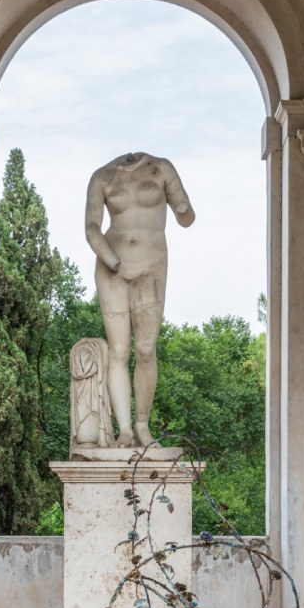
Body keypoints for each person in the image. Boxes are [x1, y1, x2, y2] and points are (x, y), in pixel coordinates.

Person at [83, 152, 195, 447]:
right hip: (112, 266)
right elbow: (91, 227)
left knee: (146, 348)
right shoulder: (102, 176)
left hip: (150, 264)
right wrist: (111, 258)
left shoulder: (160, 167)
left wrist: (182, 205)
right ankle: (125, 431)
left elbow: (186, 216)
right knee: (119, 350)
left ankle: (142, 425)